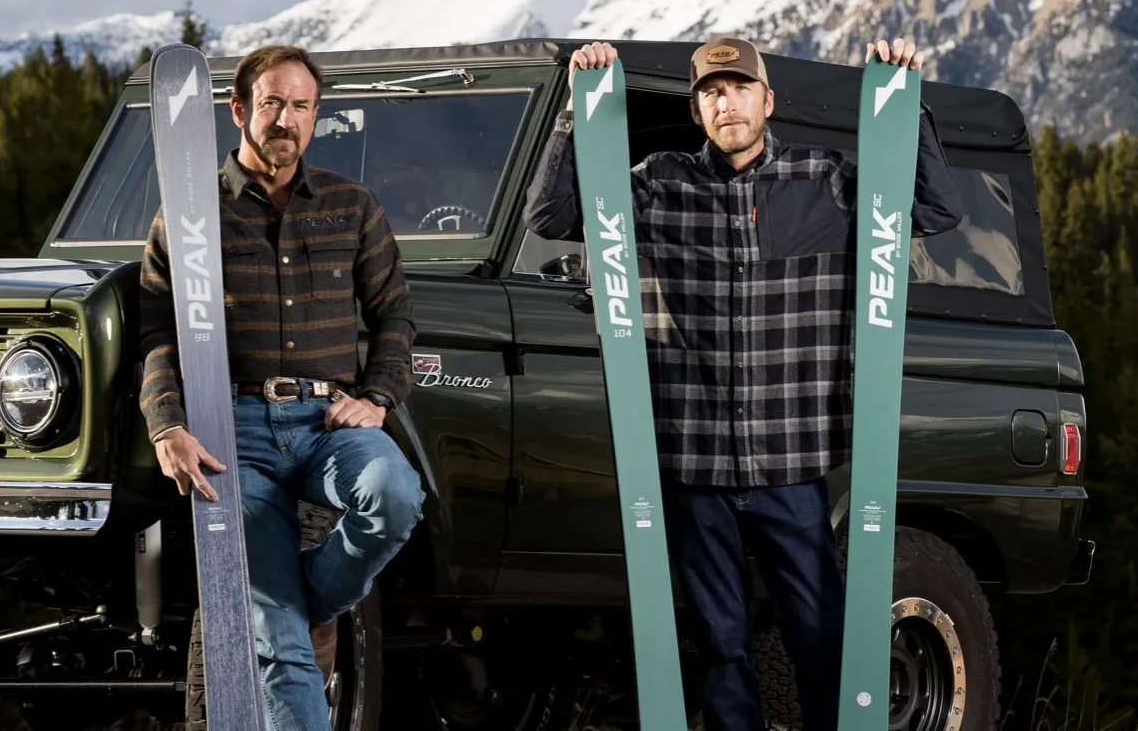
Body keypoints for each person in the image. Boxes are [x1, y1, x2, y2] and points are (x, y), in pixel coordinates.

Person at [523, 36, 965, 731]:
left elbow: (936, 213)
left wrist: (908, 104)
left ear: (766, 99)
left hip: (790, 462)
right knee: (719, 644)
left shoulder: (829, 182)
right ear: (697, 109)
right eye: (709, 92)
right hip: (692, 461)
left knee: (820, 638)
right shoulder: (655, 184)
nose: (724, 102)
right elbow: (551, 219)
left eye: (736, 88)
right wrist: (575, 116)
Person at [139, 44, 424, 731]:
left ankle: (303, 598)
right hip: (231, 429)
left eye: (299, 106)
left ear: (315, 116)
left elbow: (395, 315)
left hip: (329, 420)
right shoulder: (188, 213)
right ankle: (291, 618)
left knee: (395, 495)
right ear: (239, 110)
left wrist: (378, 397)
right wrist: (166, 424)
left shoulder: (352, 206)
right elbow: (157, 330)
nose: (284, 119)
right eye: (271, 104)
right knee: (281, 647)